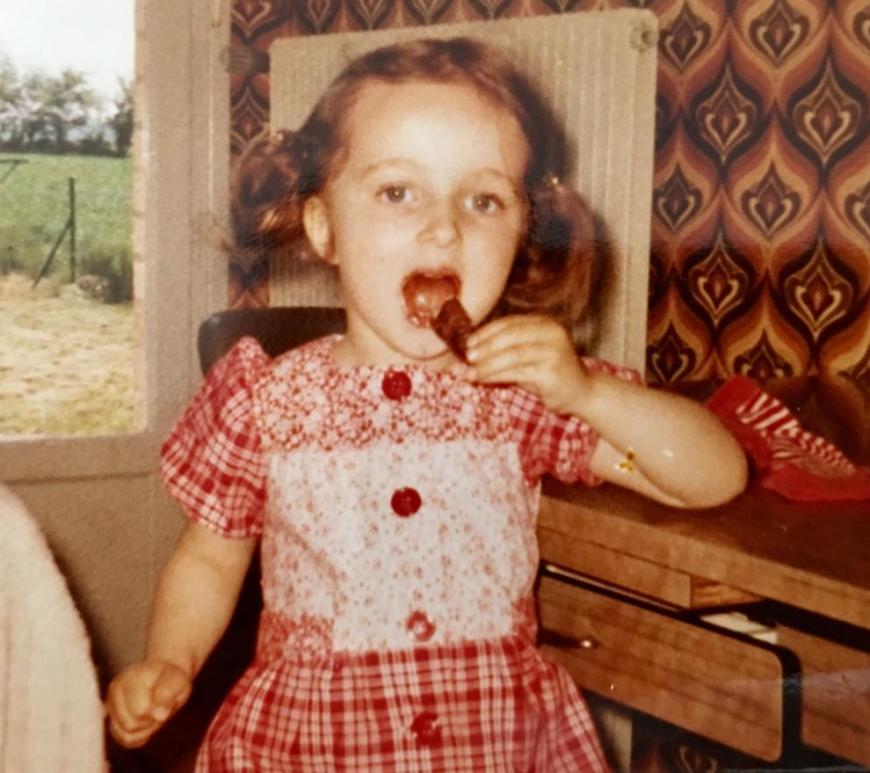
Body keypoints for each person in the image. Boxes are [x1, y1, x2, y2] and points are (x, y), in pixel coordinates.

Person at [105, 37, 747, 771]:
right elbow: (209, 560)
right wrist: (170, 660)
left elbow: (713, 477)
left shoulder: (524, 392)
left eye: (483, 200)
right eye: (398, 193)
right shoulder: (265, 398)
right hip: (313, 741)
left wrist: (590, 392)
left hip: (496, 742)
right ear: (324, 228)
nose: (445, 228)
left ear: (521, 234)